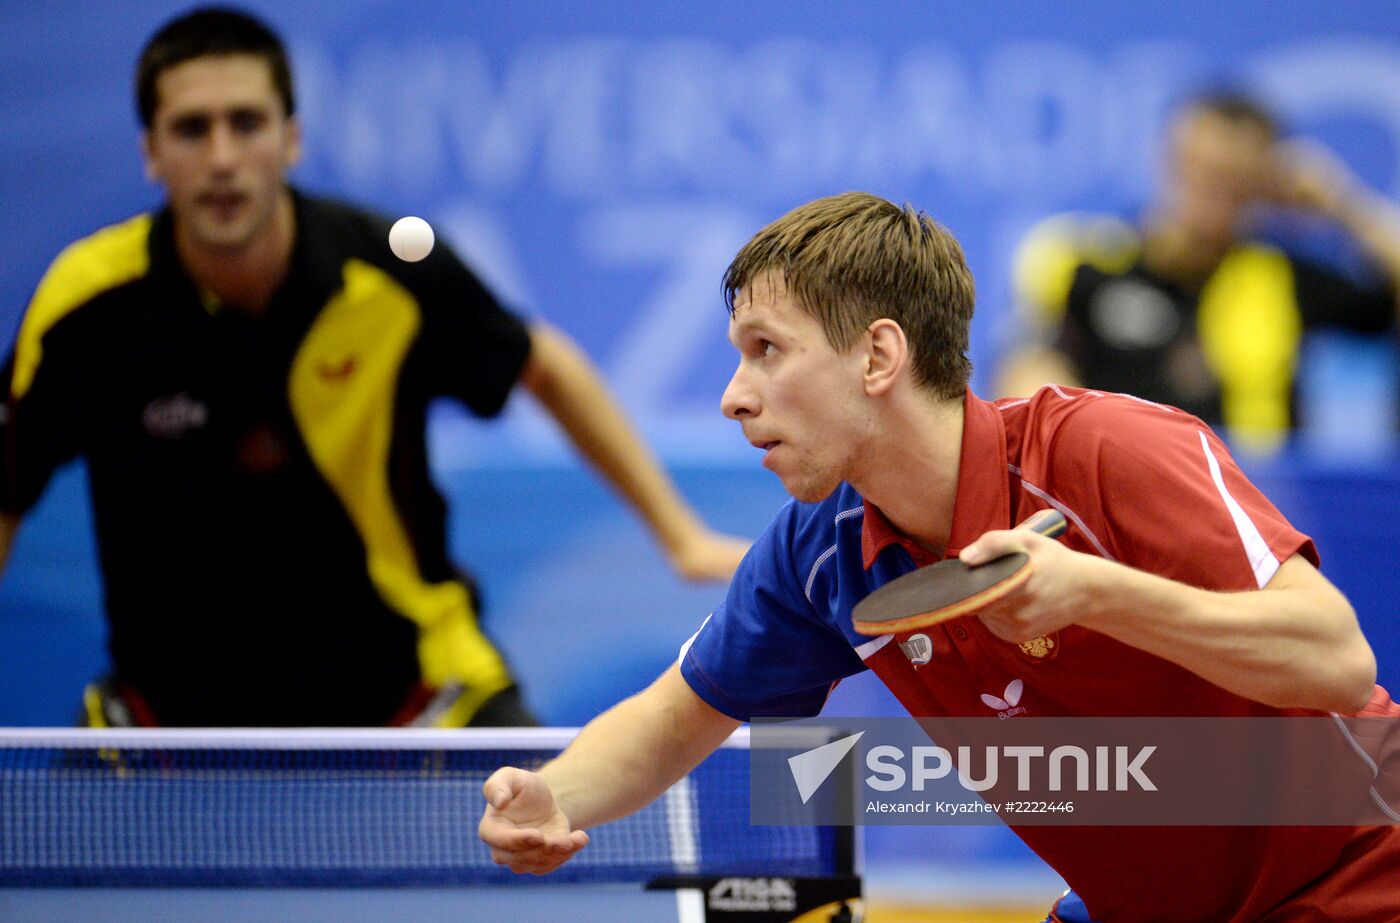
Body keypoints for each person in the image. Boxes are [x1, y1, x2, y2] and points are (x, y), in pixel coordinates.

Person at [479, 192, 1399, 921]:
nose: (733, 396)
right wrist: (553, 795)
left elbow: (1334, 656)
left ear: (878, 354)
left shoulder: (1104, 452)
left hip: (1357, 868)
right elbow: (675, 718)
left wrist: (1100, 595)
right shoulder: (825, 549)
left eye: (767, 351)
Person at [0, 6, 749, 729]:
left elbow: (544, 364)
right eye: (192, 129)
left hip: (415, 692)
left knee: (547, 834)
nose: (222, 157)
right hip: (166, 714)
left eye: (248, 123)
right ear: (152, 152)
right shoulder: (88, 308)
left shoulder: (389, 270)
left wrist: (679, 534)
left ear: (290, 139)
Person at [1000, 91, 1400, 454]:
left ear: (1263, 182)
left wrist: (1340, 201)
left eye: (1231, 179)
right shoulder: (1085, 264)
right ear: (1168, 160)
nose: (1211, 194)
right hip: (1114, 495)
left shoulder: (1280, 276)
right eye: (1200, 171)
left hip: (1256, 504)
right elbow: (1025, 381)